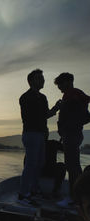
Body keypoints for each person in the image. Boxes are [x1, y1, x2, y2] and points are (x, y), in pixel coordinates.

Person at [18, 69, 61, 206]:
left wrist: (55, 109)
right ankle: (23, 194)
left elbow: (45, 115)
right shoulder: (25, 97)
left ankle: (34, 190)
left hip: (41, 135)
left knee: (39, 163)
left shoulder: (43, 98)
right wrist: (49, 112)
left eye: (42, 78)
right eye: (39, 78)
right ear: (31, 81)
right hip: (31, 134)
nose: (42, 80)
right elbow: (32, 117)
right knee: (31, 164)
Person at [54, 72, 90, 208]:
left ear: (68, 82)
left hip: (71, 134)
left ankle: (74, 199)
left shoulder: (72, 96)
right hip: (73, 134)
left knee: (72, 166)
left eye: (60, 85)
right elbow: (85, 117)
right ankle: (78, 196)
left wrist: (67, 127)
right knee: (74, 165)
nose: (60, 89)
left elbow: (73, 116)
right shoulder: (77, 96)